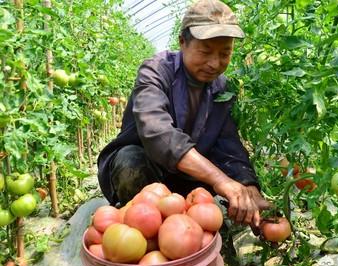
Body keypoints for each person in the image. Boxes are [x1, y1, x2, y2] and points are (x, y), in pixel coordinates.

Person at [97, 0, 272, 228]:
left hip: (191, 180)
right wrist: (220, 179)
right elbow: (158, 132)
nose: (214, 63)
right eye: (205, 51)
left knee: (201, 219)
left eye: (225, 53)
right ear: (182, 42)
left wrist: (247, 186)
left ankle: (191, 235)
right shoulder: (157, 71)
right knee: (130, 161)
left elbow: (229, 144)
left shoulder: (223, 88)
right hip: (147, 174)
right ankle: (144, 230)